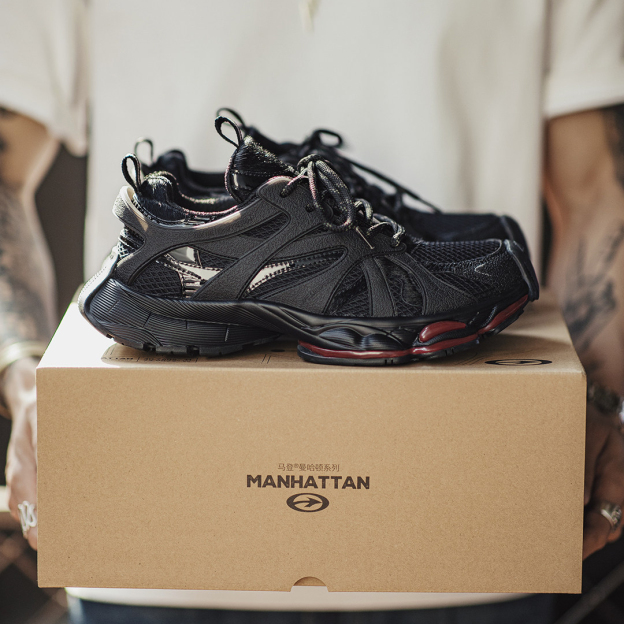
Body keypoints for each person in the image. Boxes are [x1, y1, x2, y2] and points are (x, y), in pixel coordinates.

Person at [2, 0, 624, 622]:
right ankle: (256, 258)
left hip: (473, 553)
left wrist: (598, 400)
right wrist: (28, 381)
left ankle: (307, 246)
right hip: (147, 562)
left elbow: (599, 189)